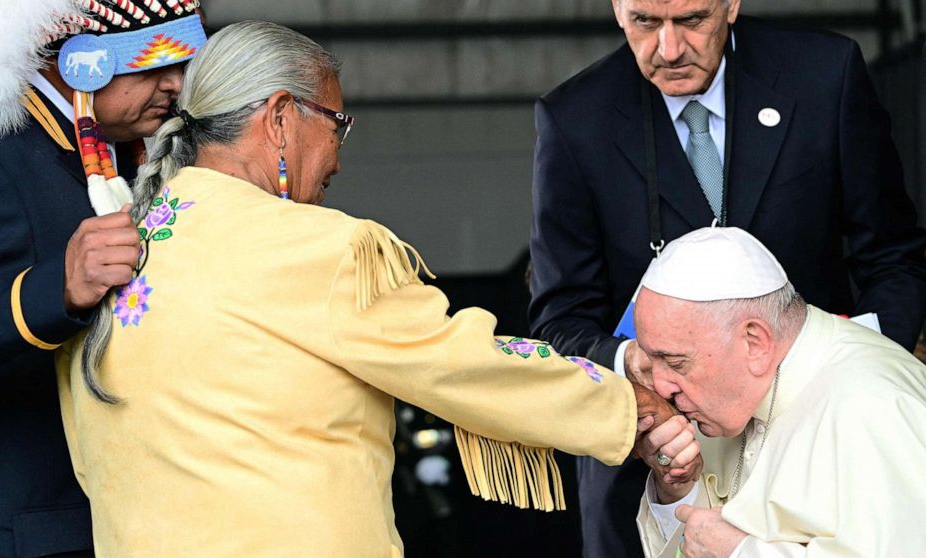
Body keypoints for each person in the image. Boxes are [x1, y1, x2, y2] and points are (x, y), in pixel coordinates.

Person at [54, 21, 683, 557]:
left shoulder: (107, 259)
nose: (339, 157)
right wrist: (628, 404)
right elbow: (463, 365)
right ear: (279, 119)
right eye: (336, 124)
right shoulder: (314, 248)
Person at [528, 0, 926, 554]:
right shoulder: (574, 118)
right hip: (655, 460)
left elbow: (894, 256)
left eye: (692, 20)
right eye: (644, 22)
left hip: (823, 439)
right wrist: (636, 368)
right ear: (617, 8)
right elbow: (557, 321)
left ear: (731, 3)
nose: (668, 50)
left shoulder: (824, 74)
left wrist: (850, 375)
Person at [0, 2, 206, 556]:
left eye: (184, 65)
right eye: (153, 65)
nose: (176, 86)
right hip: (20, 532)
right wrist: (56, 288)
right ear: (82, 61)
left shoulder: (119, 154)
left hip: (105, 520)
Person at [630, 226, 926, 557]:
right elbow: (702, 536)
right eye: (651, 360)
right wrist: (677, 488)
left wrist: (743, 553)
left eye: (674, 362)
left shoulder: (877, 407)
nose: (660, 386)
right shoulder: (727, 393)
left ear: (755, 342)